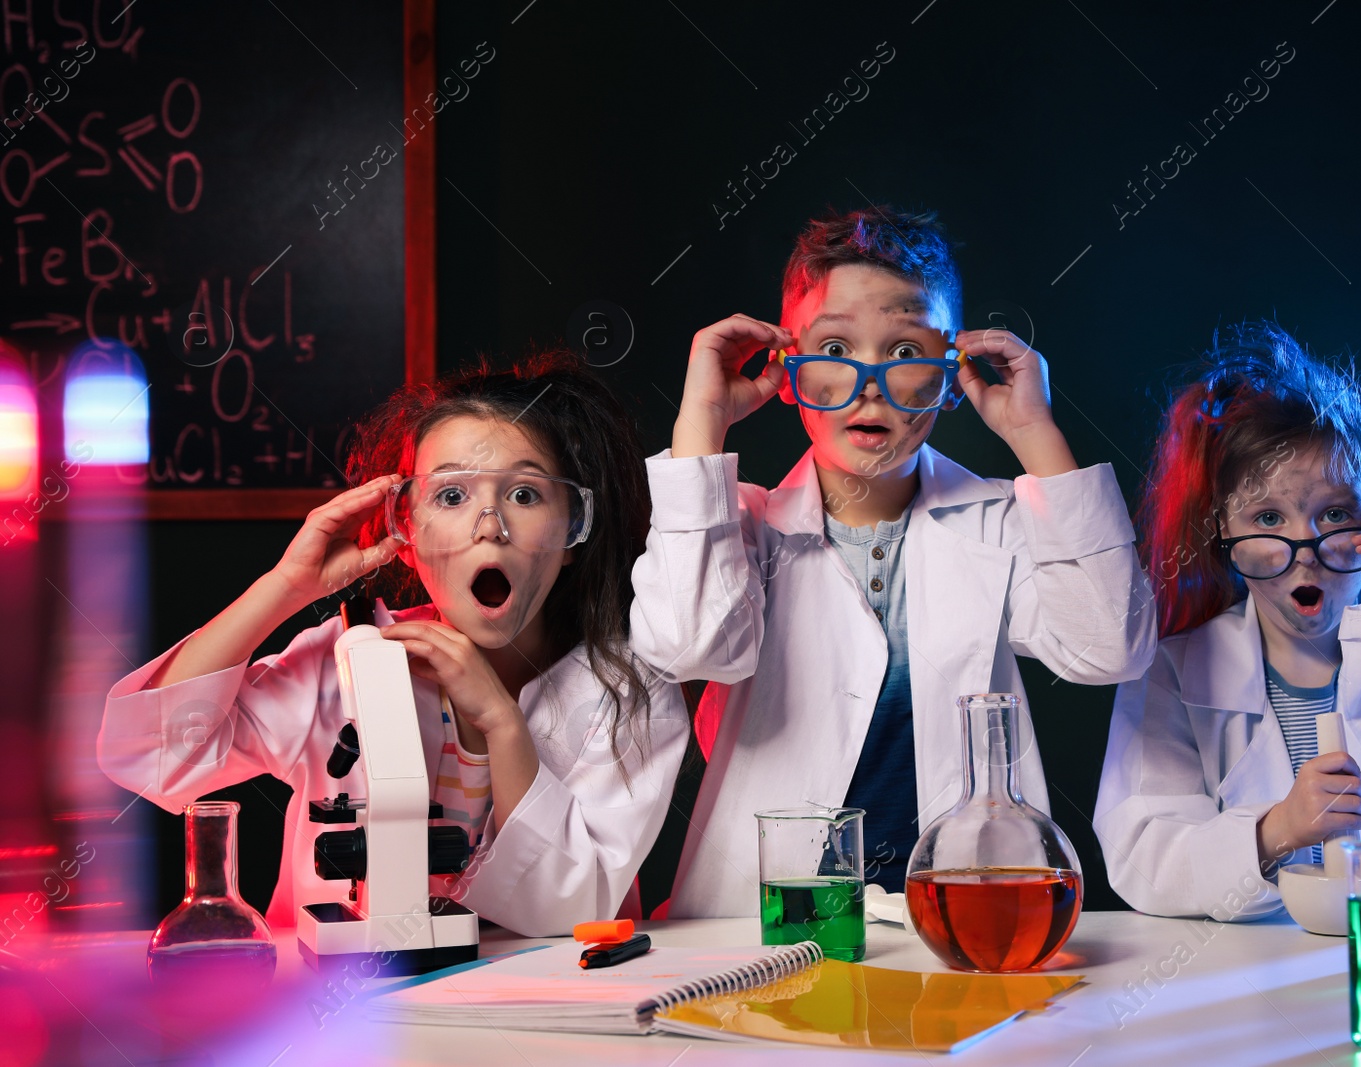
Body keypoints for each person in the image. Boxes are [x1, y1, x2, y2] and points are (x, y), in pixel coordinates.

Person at [631, 207, 1155, 914]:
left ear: (951, 371)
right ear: (788, 372)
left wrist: (1035, 433)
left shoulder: (1001, 522)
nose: (868, 381)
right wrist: (701, 422)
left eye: (905, 351)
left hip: (960, 917)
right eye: (835, 348)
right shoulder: (741, 526)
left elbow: (1109, 648)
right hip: (770, 924)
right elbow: (689, 644)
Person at [98, 351, 689, 935]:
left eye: (525, 495)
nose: (490, 524)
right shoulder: (347, 659)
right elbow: (153, 755)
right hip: (342, 1011)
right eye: (452, 496)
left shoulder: (625, 690)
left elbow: (568, 909)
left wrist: (501, 722)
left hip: (546, 1011)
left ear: (573, 529)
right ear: (405, 529)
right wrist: (284, 588)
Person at [1093, 323, 1361, 919]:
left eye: (1337, 514)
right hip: (1248, 976)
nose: (1305, 550)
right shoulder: (1174, 669)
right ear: (1224, 529)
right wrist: (1279, 829)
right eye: (1268, 517)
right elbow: (1142, 857)